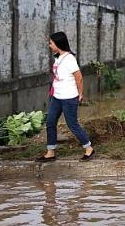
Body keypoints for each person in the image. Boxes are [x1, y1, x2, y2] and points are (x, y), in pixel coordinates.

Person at [36, 31, 94, 162]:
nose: (49, 45)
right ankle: (50, 152)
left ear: (58, 44)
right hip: (57, 97)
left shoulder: (69, 59)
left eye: (51, 43)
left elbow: (79, 77)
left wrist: (80, 94)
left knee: (72, 124)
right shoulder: (58, 57)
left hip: (69, 98)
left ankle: (89, 148)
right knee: (50, 122)